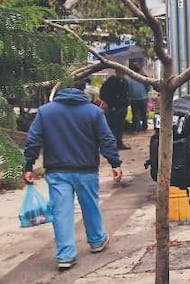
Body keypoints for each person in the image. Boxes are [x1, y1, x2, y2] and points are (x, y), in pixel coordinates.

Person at [22, 79, 123, 270]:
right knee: (90, 205)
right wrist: (115, 163)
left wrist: (28, 166)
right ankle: (96, 240)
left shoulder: (46, 112)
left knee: (61, 212)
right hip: (86, 170)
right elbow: (106, 138)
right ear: (82, 90)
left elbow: (33, 139)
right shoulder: (94, 112)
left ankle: (65, 255)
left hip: (57, 171)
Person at [99, 69, 129, 150]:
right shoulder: (111, 82)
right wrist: (110, 104)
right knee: (113, 126)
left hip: (123, 106)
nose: (122, 74)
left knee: (120, 126)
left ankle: (119, 143)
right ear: (117, 72)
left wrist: (127, 102)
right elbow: (103, 94)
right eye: (121, 72)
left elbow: (126, 93)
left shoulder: (124, 81)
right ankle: (111, 144)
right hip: (114, 107)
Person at [126, 65, 152, 132]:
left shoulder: (129, 80)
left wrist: (129, 96)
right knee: (144, 113)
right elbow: (148, 87)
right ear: (139, 71)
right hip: (143, 98)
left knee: (135, 114)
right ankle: (144, 127)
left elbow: (127, 90)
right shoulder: (142, 78)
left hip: (134, 99)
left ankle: (136, 128)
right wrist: (146, 93)